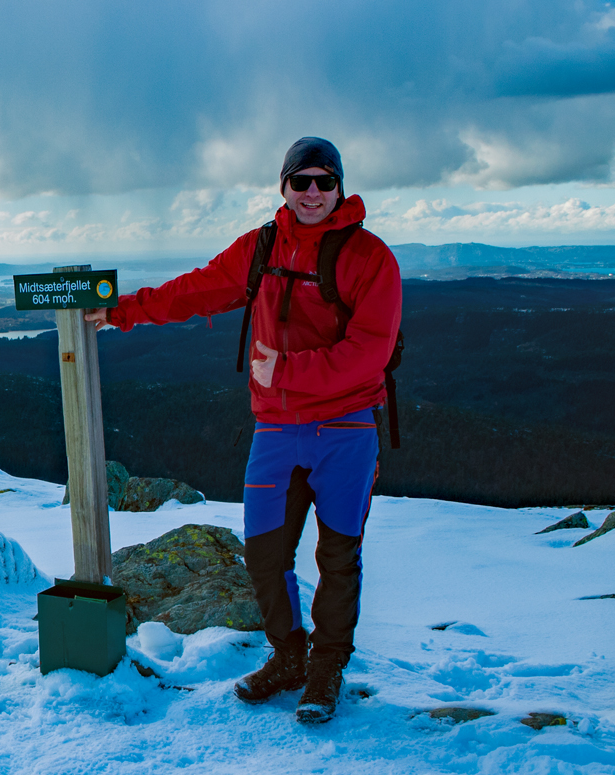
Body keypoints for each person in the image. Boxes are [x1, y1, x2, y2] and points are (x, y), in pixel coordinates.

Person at [85, 137, 401, 724]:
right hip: (277, 429)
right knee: (263, 553)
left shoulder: (370, 258)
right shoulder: (262, 247)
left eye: (323, 182)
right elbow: (199, 288)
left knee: (339, 556)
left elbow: (369, 353)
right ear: (283, 186)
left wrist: (286, 370)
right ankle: (289, 656)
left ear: (340, 188)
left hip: (346, 428)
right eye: (300, 181)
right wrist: (123, 310)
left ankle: (326, 669)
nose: (312, 193)